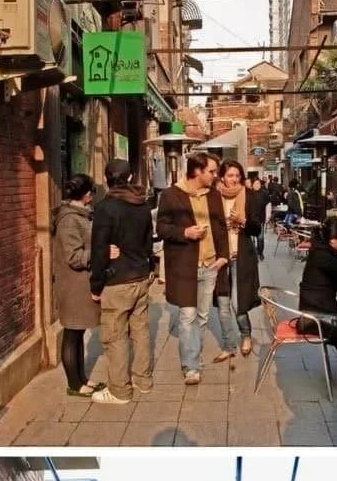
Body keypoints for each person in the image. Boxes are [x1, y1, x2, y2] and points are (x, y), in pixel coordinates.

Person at [157, 151, 230, 384]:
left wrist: (223, 256)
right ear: (197, 171)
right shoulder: (171, 195)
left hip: (210, 265)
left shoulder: (214, 195)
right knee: (187, 316)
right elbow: (161, 228)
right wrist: (185, 233)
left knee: (202, 317)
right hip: (184, 266)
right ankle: (191, 366)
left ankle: (194, 357)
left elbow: (221, 228)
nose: (214, 175)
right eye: (211, 171)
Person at [89, 159, 155, 405]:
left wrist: (95, 286)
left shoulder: (106, 208)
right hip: (140, 276)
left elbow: (98, 250)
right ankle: (143, 380)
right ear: (129, 178)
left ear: (107, 178)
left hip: (116, 280)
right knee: (140, 331)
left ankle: (120, 390)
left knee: (115, 336)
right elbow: (149, 243)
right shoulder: (142, 205)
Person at [51, 173, 101, 396]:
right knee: (72, 333)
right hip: (72, 286)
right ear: (87, 195)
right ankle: (74, 384)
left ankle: (81, 379)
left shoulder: (80, 215)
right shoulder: (70, 219)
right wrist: (98, 252)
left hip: (80, 284)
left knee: (79, 333)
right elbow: (73, 257)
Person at [217, 160, 263, 356]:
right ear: (222, 178)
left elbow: (257, 228)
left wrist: (242, 221)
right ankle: (229, 342)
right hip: (220, 256)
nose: (234, 179)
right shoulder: (214, 197)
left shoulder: (249, 196)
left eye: (237, 175)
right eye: (230, 176)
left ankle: (246, 334)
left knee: (238, 301)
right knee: (222, 302)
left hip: (241, 255)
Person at [296, 217, 337, 345]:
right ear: (333, 240)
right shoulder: (323, 257)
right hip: (316, 318)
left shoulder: (322, 250)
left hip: (317, 310)